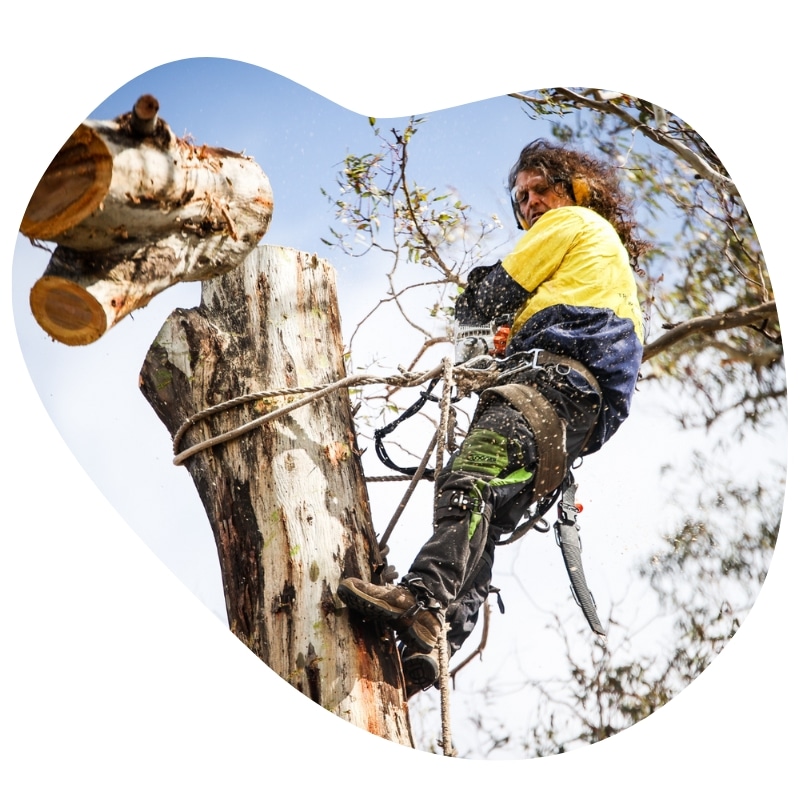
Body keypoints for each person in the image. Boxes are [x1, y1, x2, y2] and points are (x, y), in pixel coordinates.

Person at [338, 138, 649, 695]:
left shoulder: (572, 222)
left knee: (468, 477)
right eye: (520, 196)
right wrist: (508, 347)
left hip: (550, 387)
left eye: (539, 189)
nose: (529, 204)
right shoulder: (600, 273)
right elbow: (546, 318)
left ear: (573, 188)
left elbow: (486, 295)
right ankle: (435, 643)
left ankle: (423, 597)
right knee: (488, 516)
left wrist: (477, 342)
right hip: (571, 415)